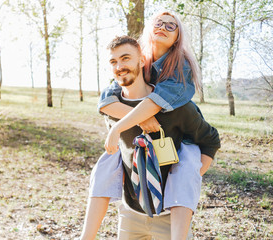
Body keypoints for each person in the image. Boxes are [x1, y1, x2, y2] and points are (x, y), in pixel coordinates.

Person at [80, 12, 220, 240]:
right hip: (131, 212)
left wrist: (191, 177)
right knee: (108, 159)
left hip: (170, 216)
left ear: (140, 60)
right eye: (114, 62)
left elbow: (210, 139)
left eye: (171, 25)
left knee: (188, 158)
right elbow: (106, 101)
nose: (119, 66)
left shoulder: (178, 95)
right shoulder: (115, 105)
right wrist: (136, 118)